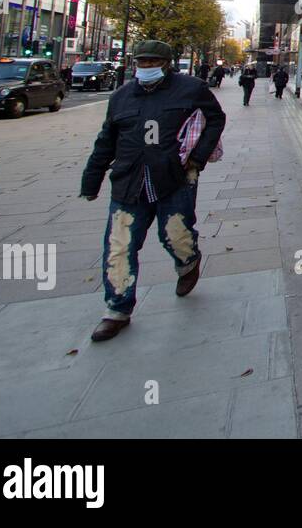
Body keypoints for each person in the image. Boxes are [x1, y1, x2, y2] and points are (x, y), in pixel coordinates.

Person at [78, 39, 226, 342]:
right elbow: (106, 140)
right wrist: (91, 180)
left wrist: (197, 159)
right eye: (141, 62)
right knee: (119, 245)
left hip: (174, 177)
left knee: (176, 234)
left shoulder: (190, 89)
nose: (146, 67)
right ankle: (117, 309)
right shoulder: (120, 97)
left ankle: (188, 262)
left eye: (152, 62)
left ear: (167, 63)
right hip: (128, 181)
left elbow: (216, 119)